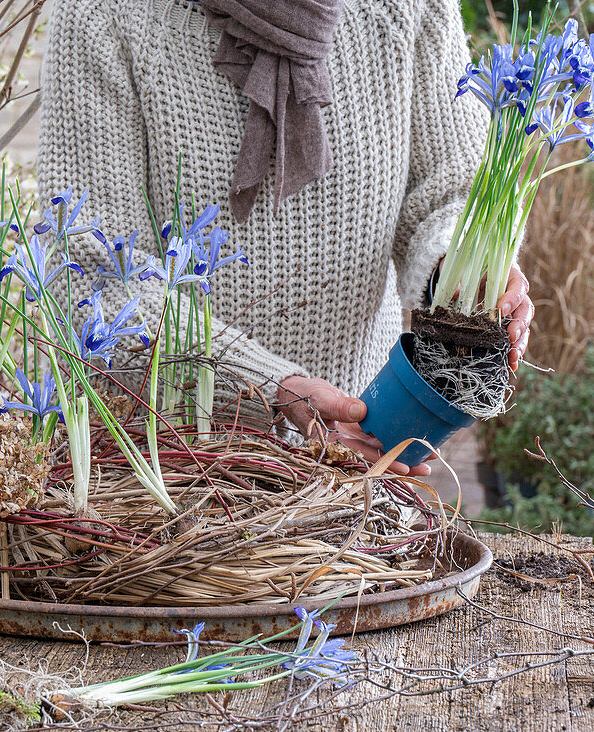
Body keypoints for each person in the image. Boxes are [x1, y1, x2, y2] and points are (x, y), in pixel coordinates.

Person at [36, 0, 535, 476]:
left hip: (364, 460)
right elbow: (89, 276)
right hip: (174, 482)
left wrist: (467, 273)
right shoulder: (103, 13)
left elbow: (454, 187)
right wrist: (267, 387)